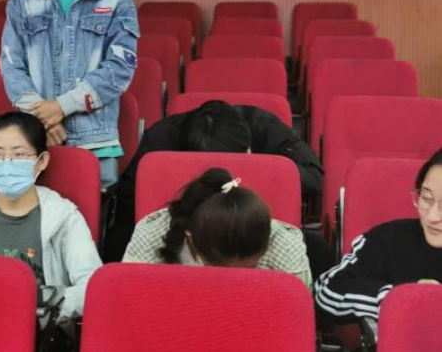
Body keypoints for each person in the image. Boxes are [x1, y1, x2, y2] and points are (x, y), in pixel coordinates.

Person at [0, 0, 139, 187]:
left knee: (91, 215)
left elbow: (119, 69)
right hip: (34, 141)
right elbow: (11, 65)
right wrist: (42, 117)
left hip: (94, 141)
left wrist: (61, 107)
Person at [108, 100, 323, 258]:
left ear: (248, 148)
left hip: (251, 225)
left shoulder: (261, 126)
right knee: (117, 241)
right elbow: (128, 203)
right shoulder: (163, 137)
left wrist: (256, 168)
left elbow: (313, 179)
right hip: (186, 225)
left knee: (316, 250)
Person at [0, 111, 102, 319]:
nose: (7, 163)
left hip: (41, 325)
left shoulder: (64, 216)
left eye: (18, 154)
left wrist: (45, 302)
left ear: (42, 160)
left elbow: (92, 285)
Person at [315, 150, 442, 335]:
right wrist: (401, 299)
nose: (432, 216)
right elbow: (327, 292)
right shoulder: (389, 239)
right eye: (426, 198)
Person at [123, 167, 312, 288]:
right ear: (191, 237)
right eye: (220, 267)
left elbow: (295, 319)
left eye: (250, 265)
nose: (233, 279)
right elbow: (128, 304)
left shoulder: (285, 247)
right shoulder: (153, 235)